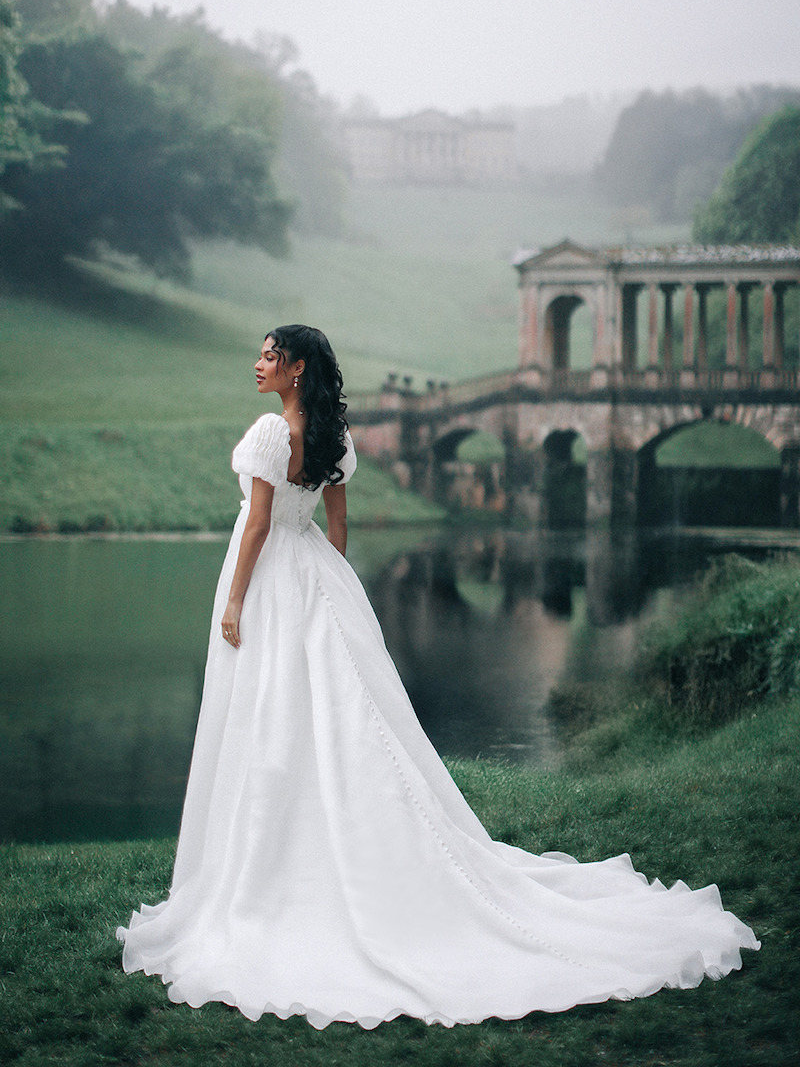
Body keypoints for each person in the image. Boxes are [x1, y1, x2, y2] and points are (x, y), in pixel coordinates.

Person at [118, 323, 759, 1030]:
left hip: (270, 579)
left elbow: (259, 527)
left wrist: (239, 598)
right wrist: (327, 588)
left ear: (297, 369)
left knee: (271, 710)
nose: (258, 364)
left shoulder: (273, 434)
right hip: (316, 580)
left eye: (270, 355)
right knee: (325, 713)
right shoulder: (335, 438)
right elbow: (337, 528)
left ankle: (268, 870)